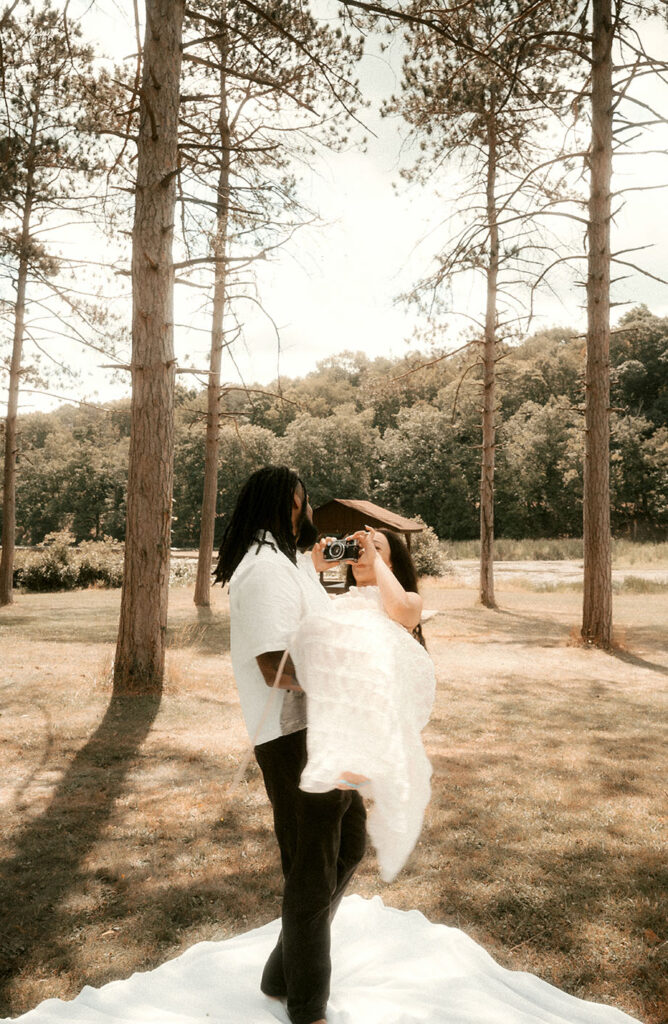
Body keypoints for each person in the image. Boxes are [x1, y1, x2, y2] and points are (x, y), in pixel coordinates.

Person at [213, 466, 366, 1024]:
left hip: (323, 728)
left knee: (348, 844)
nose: (309, 514)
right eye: (303, 503)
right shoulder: (263, 572)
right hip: (292, 738)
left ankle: (281, 971)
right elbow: (276, 665)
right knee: (312, 869)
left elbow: (314, 580)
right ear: (286, 505)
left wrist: (338, 558)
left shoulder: (283, 562)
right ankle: (307, 1007)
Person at [291, 527, 435, 882]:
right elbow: (296, 614)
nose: (361, 552)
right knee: (335, 840)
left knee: (344, 842)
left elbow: (402, 610)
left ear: (391, 560)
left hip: (374, 717)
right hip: (335, 716)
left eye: (373, 546)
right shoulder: (337, 602)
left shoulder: (408, 599)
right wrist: (316, 564)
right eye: (356, 547)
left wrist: (374, 559)